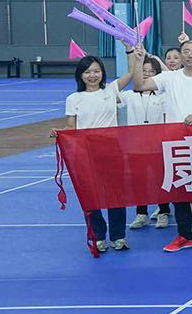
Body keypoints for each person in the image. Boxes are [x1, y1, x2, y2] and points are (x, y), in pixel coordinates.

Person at [131, 39, 192, 253]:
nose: (190, 54)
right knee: (180, 190)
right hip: (176, 144)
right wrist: (138, 61)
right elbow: (139, 86)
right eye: (186, 51)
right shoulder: (169, 78)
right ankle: (185, 235)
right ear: (181, 55)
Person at [56, 52, 134, 252]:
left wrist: (130, 51)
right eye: (87, 72)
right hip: (85, 152)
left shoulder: (111, 90)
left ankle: (118, 236)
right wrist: (60, 133)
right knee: (90, 196)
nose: (92, 76)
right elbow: (71, 127)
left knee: (116, 194)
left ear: (102, 73)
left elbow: (132, 72)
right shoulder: (74, 99)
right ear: (80, 75)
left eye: (96, 71)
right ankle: (98, 236)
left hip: (111, 149)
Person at [124, 55, 171, 230]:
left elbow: (166, 121)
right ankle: (141, 214)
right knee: (139, 181)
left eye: (151, 71)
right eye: (143, 71)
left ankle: (164, 211)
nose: (147, 74)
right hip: (135, 147)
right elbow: (109, 97)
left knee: (161, 180)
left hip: (157, 147)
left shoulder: (163, 96)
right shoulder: (129, 96)